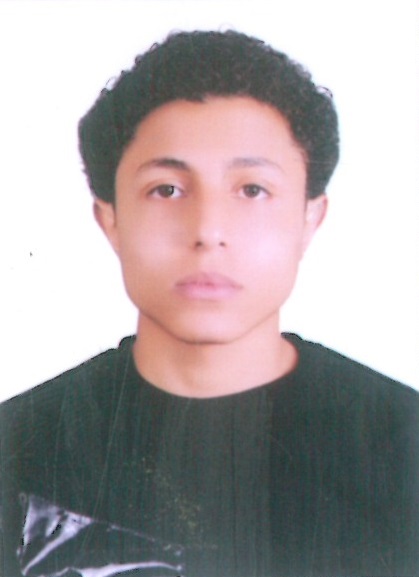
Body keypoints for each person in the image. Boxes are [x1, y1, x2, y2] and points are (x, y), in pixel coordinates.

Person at [0, 30, 418, 577]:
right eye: (167, 189)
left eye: (252, 190)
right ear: (111, 219)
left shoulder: (403, 448)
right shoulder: (17, 447)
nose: (208, 230)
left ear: (309, 218)